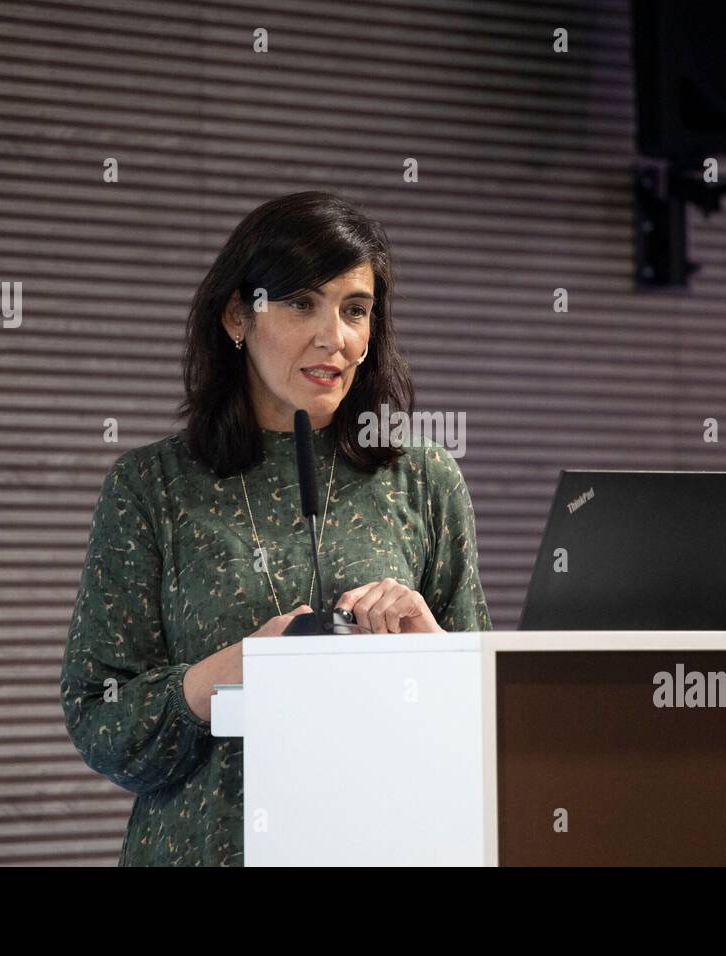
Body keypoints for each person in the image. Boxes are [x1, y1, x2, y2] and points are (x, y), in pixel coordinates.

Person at [60, 190, 492, 866]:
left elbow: (483, 729)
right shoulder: (152, 487)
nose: (335, 338)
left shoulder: (424, 478)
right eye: (300, 304)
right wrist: (233, 671)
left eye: (355, 311)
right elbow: (101, 720)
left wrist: (431, 649)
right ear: (238, 315)